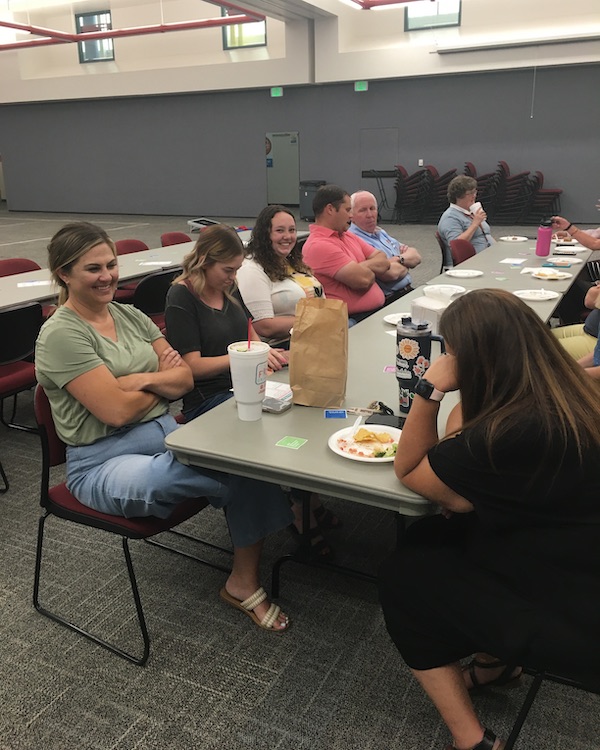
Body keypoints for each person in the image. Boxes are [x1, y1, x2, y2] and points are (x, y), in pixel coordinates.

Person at [35, 221, 294, 633]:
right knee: (237, 465)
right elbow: (115, 414)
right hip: (101, 461)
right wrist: (158, 384)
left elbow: (184, 380)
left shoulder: (128, 315)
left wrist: (138, 381)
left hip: (162, 433)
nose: (107, 277)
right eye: (93, 269)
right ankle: (246, 570)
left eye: (111, 265)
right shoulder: (61, 336)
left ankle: (243, 575)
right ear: (64, 274)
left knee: (243, 452)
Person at [379, 288, 600, 750]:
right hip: (578, 557)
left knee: (404, 576)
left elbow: (412, 471)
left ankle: (473, 740)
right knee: (434, 534)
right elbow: (463, 485)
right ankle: (497, 665)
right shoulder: (573, 390)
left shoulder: (506, 433)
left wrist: (430, 388)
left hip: (574, 612)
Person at [165, 224, 340, 560]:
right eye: (227, 270)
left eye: (236, 270)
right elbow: (191, 367)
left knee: (306, 409)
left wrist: (266, 352)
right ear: (203, 261)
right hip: (210, 398)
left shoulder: (227, 288)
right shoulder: (181, 296)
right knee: (278, 428)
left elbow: (249, 333)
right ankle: (298, 504)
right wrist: (243, 359)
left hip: (247, 381)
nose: (232, 277)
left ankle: (306, 498)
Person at [302, 184, 394, 325]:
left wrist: (359, 266)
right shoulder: (319, 245)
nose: (351, 215)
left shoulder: (346, 235)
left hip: (373, 313)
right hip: (351, 321)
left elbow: (383, 260)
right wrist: (369, 269)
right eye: (347, 210)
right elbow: (363, 281)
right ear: (330, 209)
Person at [236, 205, 323, 347]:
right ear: (265, 234)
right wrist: (315, 320)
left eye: (292, 230)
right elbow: (263, 326)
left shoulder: (290, 261)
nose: (287, 236)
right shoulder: (251, 269)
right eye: (279, 230)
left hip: (313, 337)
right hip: (281, 347)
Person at [348, 190, 421, 304]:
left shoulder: (380, 232)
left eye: (372, 208)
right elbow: (390, 274)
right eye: (362, 210)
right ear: (351, 215)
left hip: (408, 292)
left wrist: (398, 259)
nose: (370, 215)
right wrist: (406, 263)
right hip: (391, 300)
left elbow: (416, 256)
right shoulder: (354, 240)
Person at [437, 176, 495, 267]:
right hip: (469, 264)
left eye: (475, 192)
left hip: (487, 257)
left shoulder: (470, 212)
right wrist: (475, 224)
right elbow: (457, 245)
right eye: (471, 193)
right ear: (459, 196)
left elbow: (486, 235)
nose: (474, 195)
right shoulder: (450, 217)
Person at [552, 282, 600, 361]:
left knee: (538, 347)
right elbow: (591, 299)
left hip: (595, 339)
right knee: (539, 334)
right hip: (590, 328)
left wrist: (575, 371)